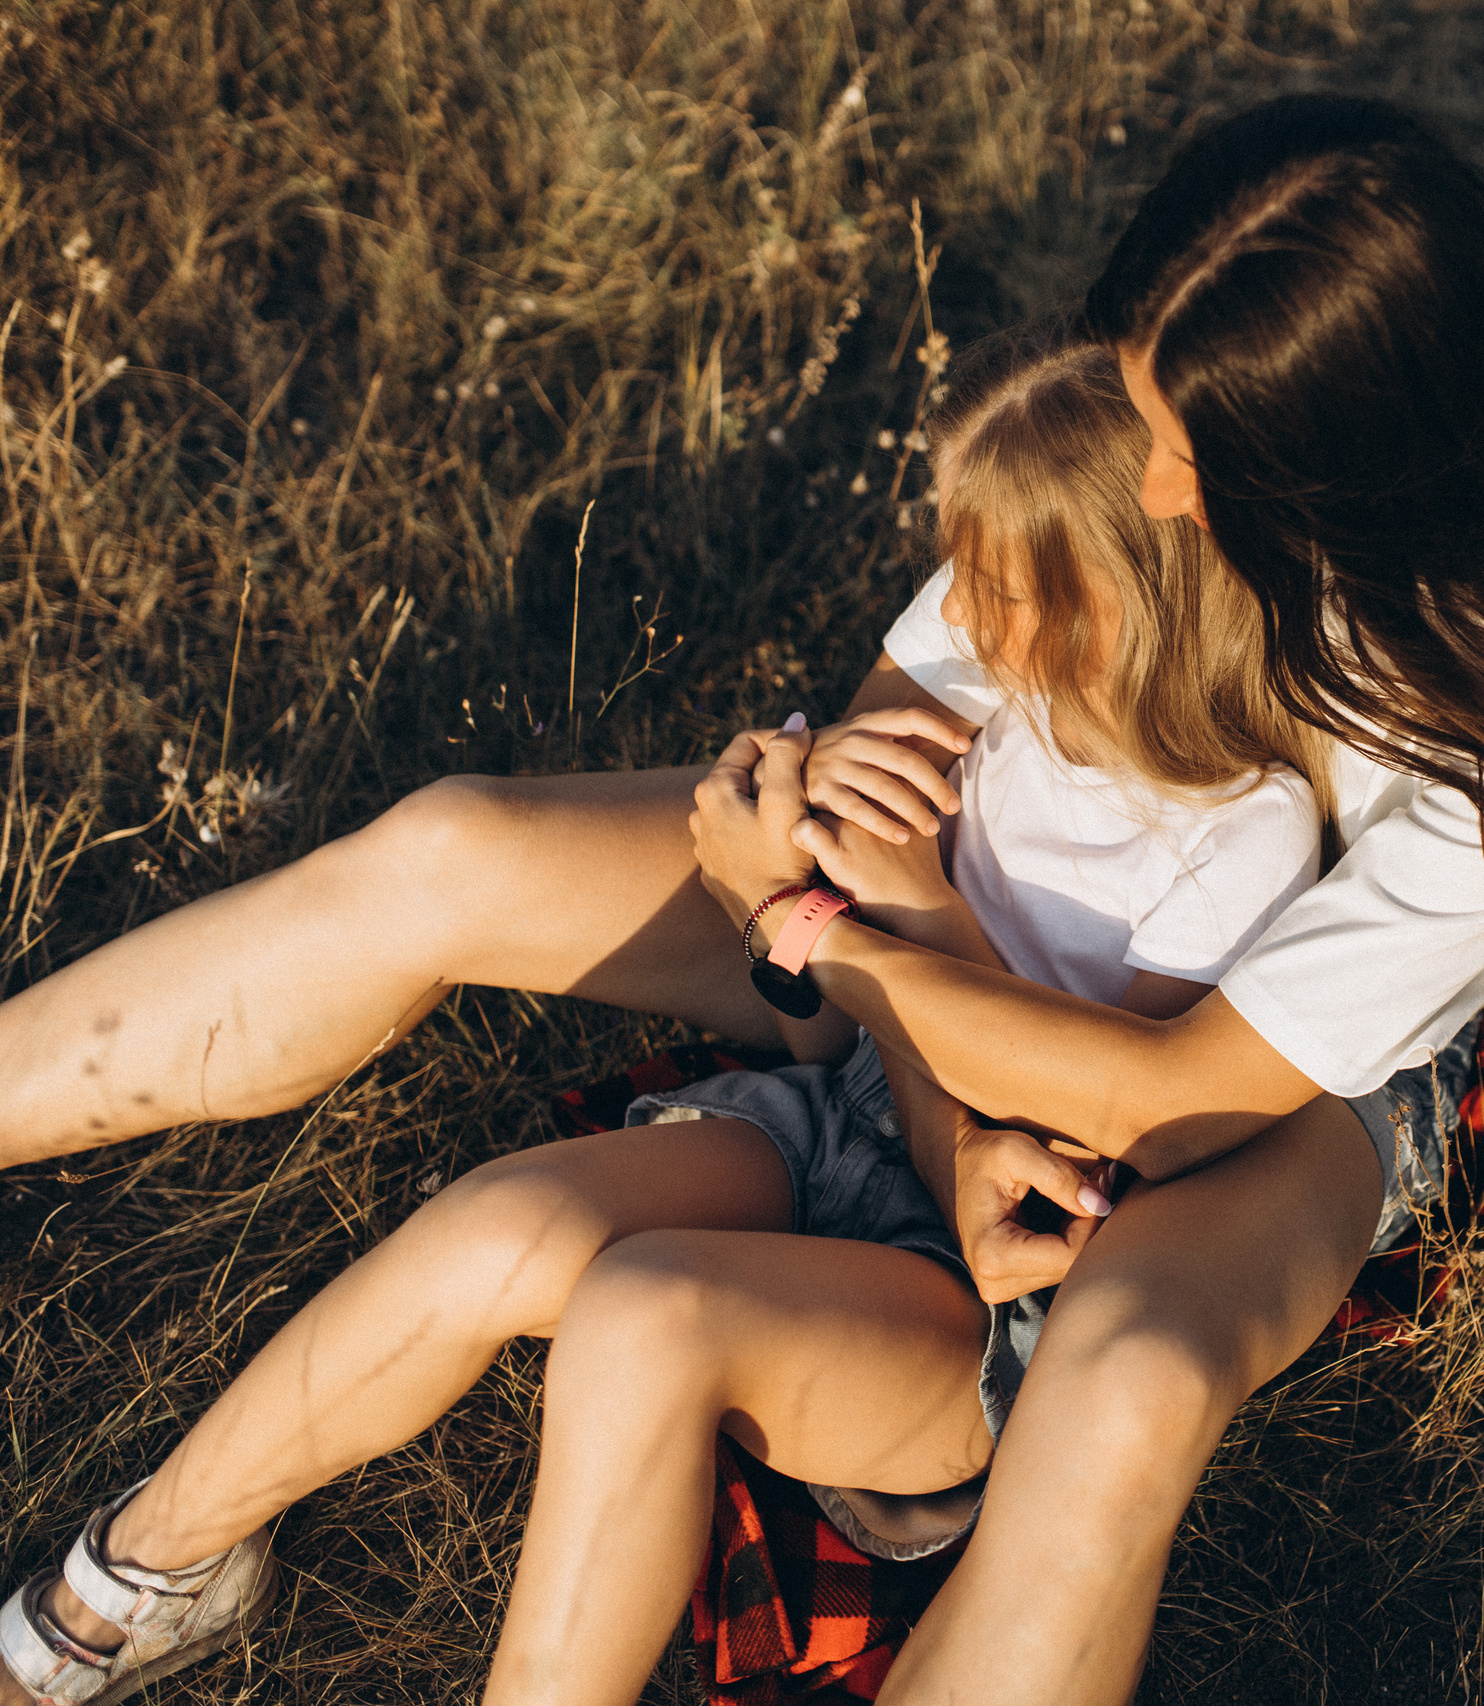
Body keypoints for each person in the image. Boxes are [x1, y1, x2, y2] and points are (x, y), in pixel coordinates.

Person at [0, 95, 1484, 1704]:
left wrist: (822, 939)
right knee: (455, 848)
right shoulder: (1168, 427)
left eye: (1186, 453)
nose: (1158, 486)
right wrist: (812, 884)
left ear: (1351, 459)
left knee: (1125, 1382)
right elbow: (903, 726)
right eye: (1143, 417)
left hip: (1251, 1074)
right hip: (964, 900)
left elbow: (1166, 1096)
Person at [0, 324, 1328, 1706]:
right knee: (496, 1224)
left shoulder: (1244, 834)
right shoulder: (997, 718)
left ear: (1109, 599)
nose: (954, 613)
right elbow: (820, 1005)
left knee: (638, 1310)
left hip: (982, 1293)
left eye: (983, 580)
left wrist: (914, 907)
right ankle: (153, 1567)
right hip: (847, 1111)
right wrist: (778, 849)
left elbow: (1076, 1151)